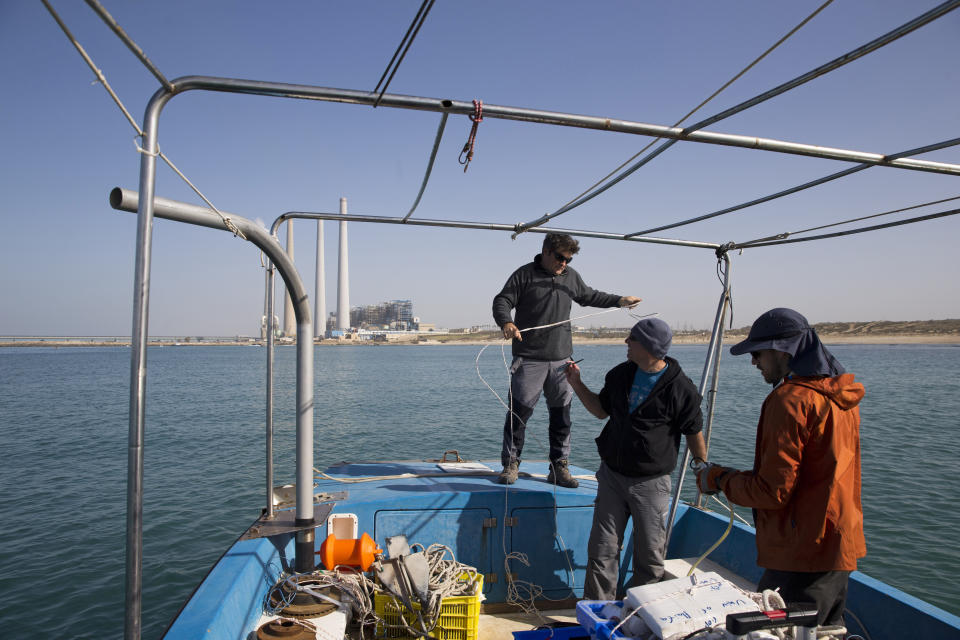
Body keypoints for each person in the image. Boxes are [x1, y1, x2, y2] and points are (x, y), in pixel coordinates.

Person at [696, 308, 866, 628]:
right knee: (826, 631)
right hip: (837, 545)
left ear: (780, 350)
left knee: (776, 631)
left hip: (801, 553)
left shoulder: (790, 401)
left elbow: (772, 492)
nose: (754, 362)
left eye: (757, 353)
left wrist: (717, 478)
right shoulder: (840, 398)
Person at [565, 318, 707, 597]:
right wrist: (576, 383)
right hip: (611, 477)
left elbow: (694, 433)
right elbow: (600, 411)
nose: (626, 342)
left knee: (650, 557)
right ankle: (597, 614)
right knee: (601, 550)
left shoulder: (682, 389)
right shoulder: (619, 375)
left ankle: (640, 615)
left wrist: (703, 470)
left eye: (632, 338)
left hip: (651, 483)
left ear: (650, 347)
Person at [492, 233, 641, 487]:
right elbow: (502, 300)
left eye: (568, 260)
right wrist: (506, 321)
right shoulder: (524, 274)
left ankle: (559, 467)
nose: (564, 263)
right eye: (560, 258)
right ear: (546, 251)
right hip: (529, 359)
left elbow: (589, 296)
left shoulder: (570, 277)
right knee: (519, 415)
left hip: (562, 360)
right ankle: (510, 464)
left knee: (562, 416)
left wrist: (619, 300)